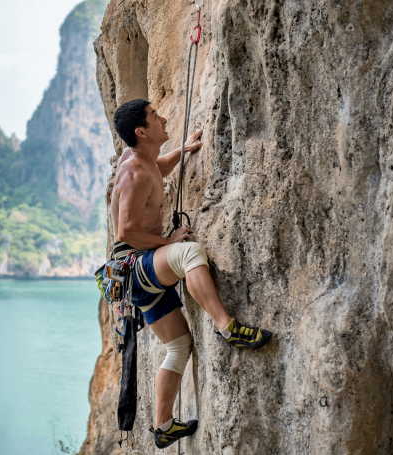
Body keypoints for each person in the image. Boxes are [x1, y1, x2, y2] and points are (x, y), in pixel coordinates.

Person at [110, 99, 272, 449]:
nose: (163, 118)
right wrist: (168, 241)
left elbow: (157, 170)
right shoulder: (134, 172)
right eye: (155, 117)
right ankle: (228, 327)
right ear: (141, 131)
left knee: (179, 345)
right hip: (136, 267)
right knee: (188, 253)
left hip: (135, 276)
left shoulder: (141, 160)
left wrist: (181, 152)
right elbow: (126, 231)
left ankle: (163, 426)